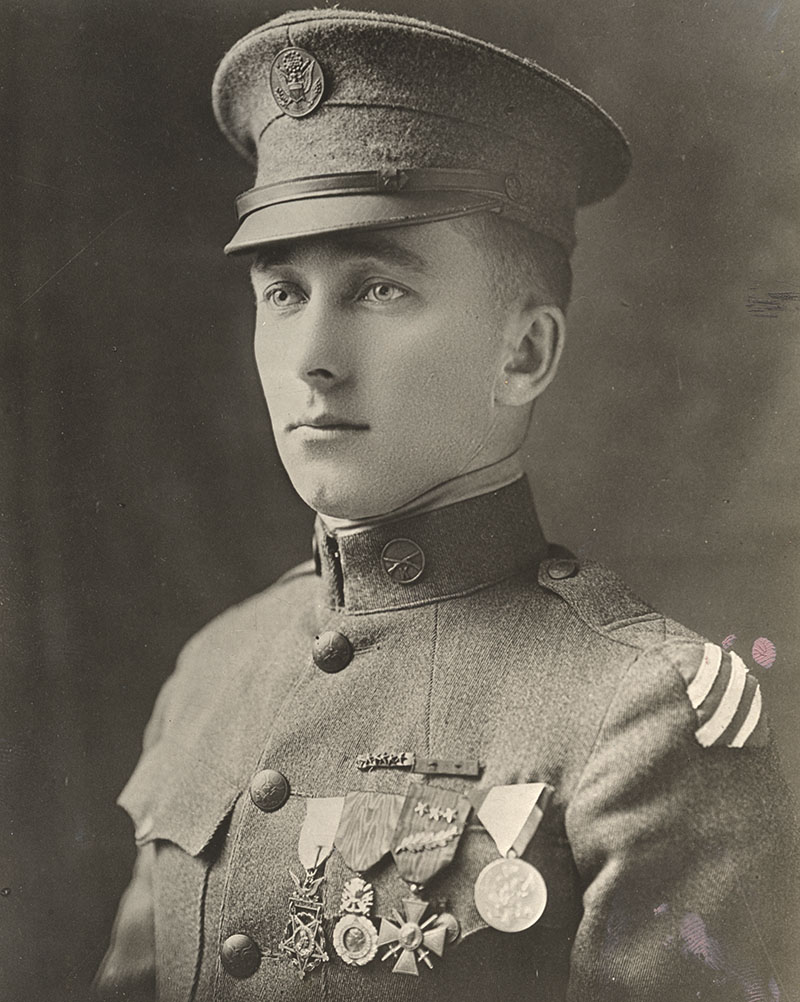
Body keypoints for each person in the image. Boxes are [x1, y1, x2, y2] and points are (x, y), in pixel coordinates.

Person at [94, 9, 797, 1001]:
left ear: (523, 353)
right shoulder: (212, 673)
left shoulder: (645, 720)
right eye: (283, 291)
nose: (312, 359)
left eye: (378, 289)